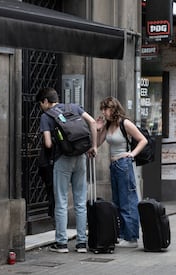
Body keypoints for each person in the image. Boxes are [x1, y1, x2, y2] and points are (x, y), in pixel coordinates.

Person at [36, 87, 97, 253]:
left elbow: (48, 143)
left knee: (61, 201)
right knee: (80, 200)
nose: (41, 106)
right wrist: (93, 146)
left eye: (41, 103)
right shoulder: (74, 108)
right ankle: (82, 243)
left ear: (46, 102)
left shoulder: (46, 116)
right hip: (81, 156)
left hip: (62, 159)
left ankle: (62, 243)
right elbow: (93, 122)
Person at [96, 96, 147, 248]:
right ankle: (122, 234)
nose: (104, 112)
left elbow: (143, 140)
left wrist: (132, 154)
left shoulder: (125, 123)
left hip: (124, 165)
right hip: (114, 166)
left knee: (128, 202)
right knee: (117, 201)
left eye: (106, 109)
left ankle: (131, 238)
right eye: (103, 109)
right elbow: (98, 143)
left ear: (113, 109)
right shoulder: (108, 125)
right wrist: (97, 129)